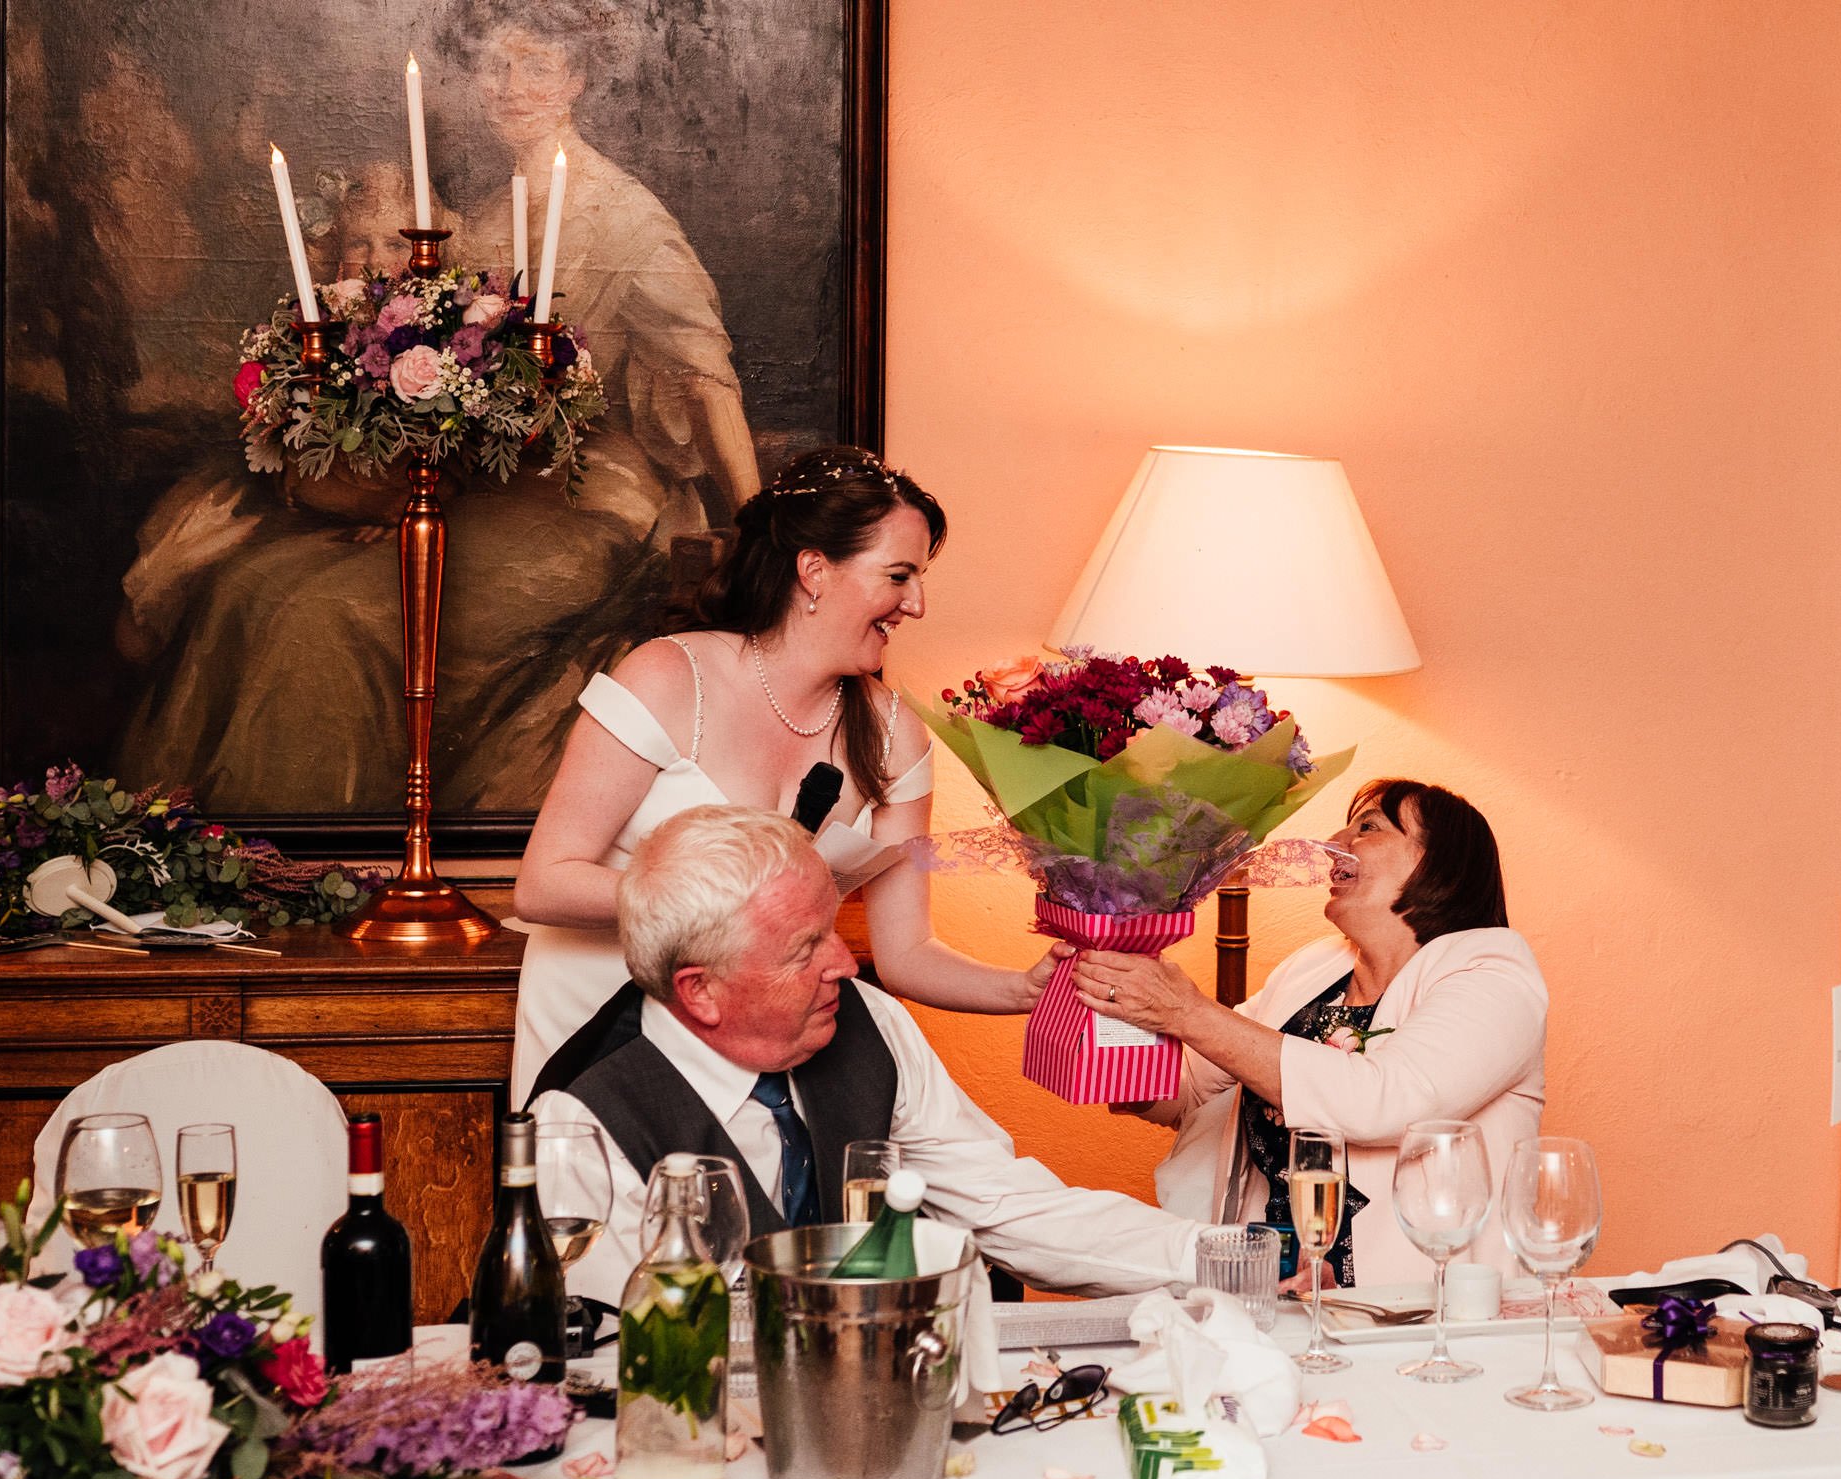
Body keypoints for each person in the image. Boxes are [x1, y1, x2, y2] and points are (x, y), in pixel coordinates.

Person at [115, 0, 764, 816]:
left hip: (589, 502)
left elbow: (707, 380)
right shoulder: (481, 220)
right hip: (478, 493)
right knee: (252, 585)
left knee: (324, 615)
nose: (510, 87)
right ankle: (194, 849)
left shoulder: (628, 219)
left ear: (576, 79)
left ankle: (322, 853)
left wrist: (766, 534)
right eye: (495, 66)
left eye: (536, 66)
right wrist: (406, 488)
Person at [508, 446, 1055, 1103]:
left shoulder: (894, 738)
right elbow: (543, 883)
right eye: (899, 575)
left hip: (757, 1058)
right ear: (814, 570)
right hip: (597, 1035)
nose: (918, 604)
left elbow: (907, 952)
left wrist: (1024, 989)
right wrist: (737, 906)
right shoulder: (667, 677)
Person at [534, 804, 1201, 1310]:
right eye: (806, 949)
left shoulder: (867, 1020)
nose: (846, 963)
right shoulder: (581, 1120)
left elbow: (1009, 1206)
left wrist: (1218, 1256)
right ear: (701, 991)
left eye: (833, 928)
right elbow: (615, 1355)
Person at [1069, 780, 1546, 1286]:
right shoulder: (1315, 966)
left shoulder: (1495, 973)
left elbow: (1384, 1101)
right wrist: (1111, 966)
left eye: (1368, 826)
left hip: (1424, 1313)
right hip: (1273, 1296)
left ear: (1440, 862)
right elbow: (1184, 1094)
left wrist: (1186, 1011)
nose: (1336, 840)